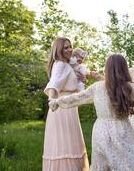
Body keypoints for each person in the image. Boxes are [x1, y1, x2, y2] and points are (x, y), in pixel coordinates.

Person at [49, 54, 134, 171]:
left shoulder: (97, 87)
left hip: (100, 130)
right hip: (122, 129)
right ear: (123, 69)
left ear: (107, 69)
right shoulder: (128, 87)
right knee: (128, 162)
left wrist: (57, 102)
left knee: (103, 165)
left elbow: (77, 98)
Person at [43, 37, 89, 171]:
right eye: (66, 47)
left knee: (72, 145)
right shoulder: (60, 64)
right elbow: (54, 84)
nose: (70, 50)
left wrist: (81, 79)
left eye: (70, 46)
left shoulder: (68, 65)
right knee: (65, 146)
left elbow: (74, 87)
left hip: (70, 108)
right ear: (58, 50)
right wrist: (52, 101)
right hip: (62, 109)